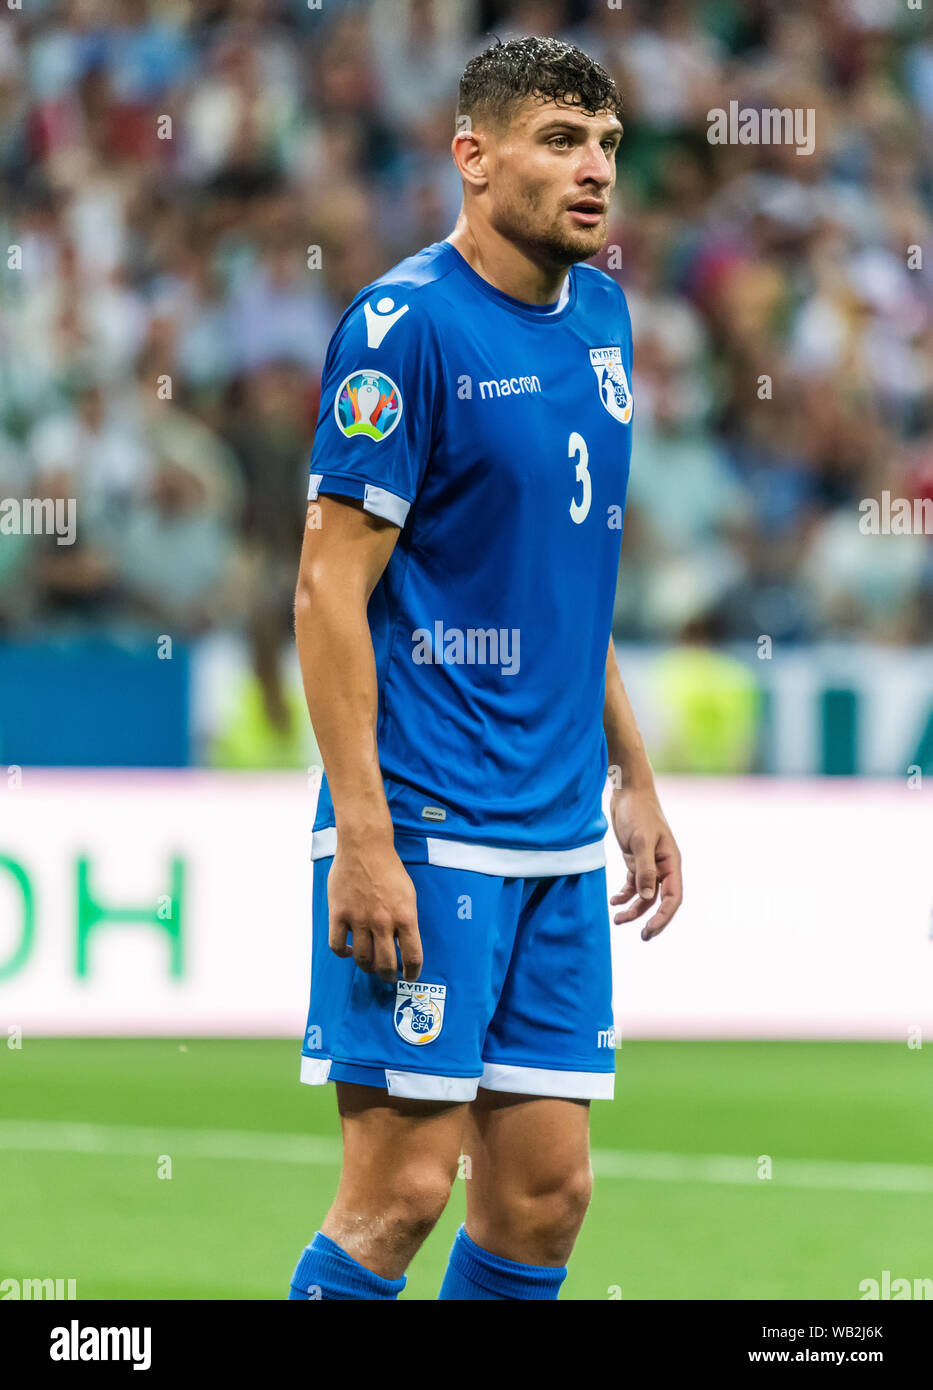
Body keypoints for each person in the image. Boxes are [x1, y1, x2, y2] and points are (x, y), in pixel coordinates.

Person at [290, 35, 682, 1303]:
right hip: (429, 820)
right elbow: (326, 592)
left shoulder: (606, 319)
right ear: (473, 155)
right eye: (561, 142)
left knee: (544, 1200)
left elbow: (563, 578)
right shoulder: (404, 328)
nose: (595, 169)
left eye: (607, 144)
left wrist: (631, 774)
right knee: (401, 1192)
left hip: (557, 833)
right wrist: (364, 837)